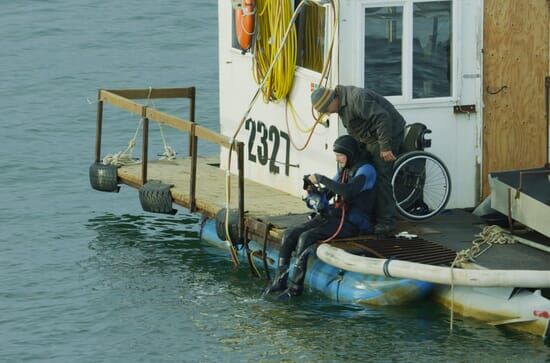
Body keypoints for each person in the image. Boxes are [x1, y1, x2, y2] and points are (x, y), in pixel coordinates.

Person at [264, 135, 376, 299]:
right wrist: (314, 192)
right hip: (335, 216)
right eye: (336, 155)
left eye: (340, 155)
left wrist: (322, 178)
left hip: (354, 223)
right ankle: (279, 282)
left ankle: (295, 288)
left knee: (306, 237)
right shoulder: (344, 170)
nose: (337, 159)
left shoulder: (366, 170)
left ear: (350, 153)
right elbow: (329, 192)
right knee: (289, 234)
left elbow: (348, 191)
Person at [311, 85, 406, 235]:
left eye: (326, 109)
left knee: (381, 175)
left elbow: (383, 118)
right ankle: (369, 210)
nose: (328, 113)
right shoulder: (342, 104)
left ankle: (386, 221)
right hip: (369, 136)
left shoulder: (356, 99)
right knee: (355, 164)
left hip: (389, 133)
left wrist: (385, 147)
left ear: (332, 100)